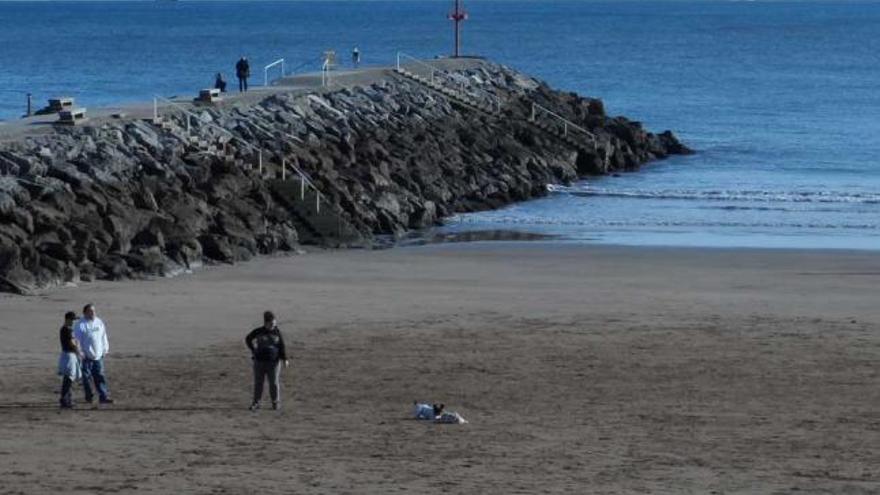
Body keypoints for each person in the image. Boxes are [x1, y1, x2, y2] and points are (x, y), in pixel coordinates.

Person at [245, 311, 289, 411]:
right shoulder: (258, 331)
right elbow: (248, 339)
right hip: (259, 362)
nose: (273, 325)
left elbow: (282, 346)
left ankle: (275, 403)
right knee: (258, 383)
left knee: (273, 383)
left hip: (273, 363)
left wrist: (285, 359)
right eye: (271, 324)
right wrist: (253, 349)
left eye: (274, 323)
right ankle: (256, 403)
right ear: (265, 323)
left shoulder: (277, 332)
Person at [74, 303, 113, 404]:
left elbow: (103, 336)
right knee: (86, 378)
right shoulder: (80, 324)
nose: (93, 313)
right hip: (86, 356)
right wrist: (80, 353)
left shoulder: (99, 322)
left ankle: (103, 396)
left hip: (98, 355)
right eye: (91, 311)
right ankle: (89, 396)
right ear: (85, 312)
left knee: (100, 376)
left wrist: (105, 349)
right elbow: (77, 340)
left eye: (94, 311)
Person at [57, 311, 82, 409]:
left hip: (68, 355)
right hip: (69, 355)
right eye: (72, 319)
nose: (73, 322)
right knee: (69, 378)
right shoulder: (67, 329)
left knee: (68, 378)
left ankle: (67, 398)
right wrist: (79, 352)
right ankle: (64, 399)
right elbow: (72, 343)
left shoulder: (65, 329)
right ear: (67, 319)